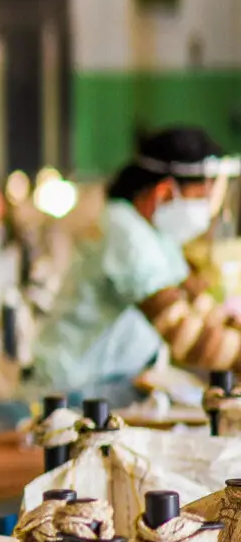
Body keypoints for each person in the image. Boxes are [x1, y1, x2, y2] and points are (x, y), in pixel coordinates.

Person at [34, 126, 239, 395]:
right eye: (202, 197)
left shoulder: (155, 234)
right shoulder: (124, 232)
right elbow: (183, 334)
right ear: (165, 192)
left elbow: (197, 305)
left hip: (110, 384)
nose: (206, 211)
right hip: (73, 391)